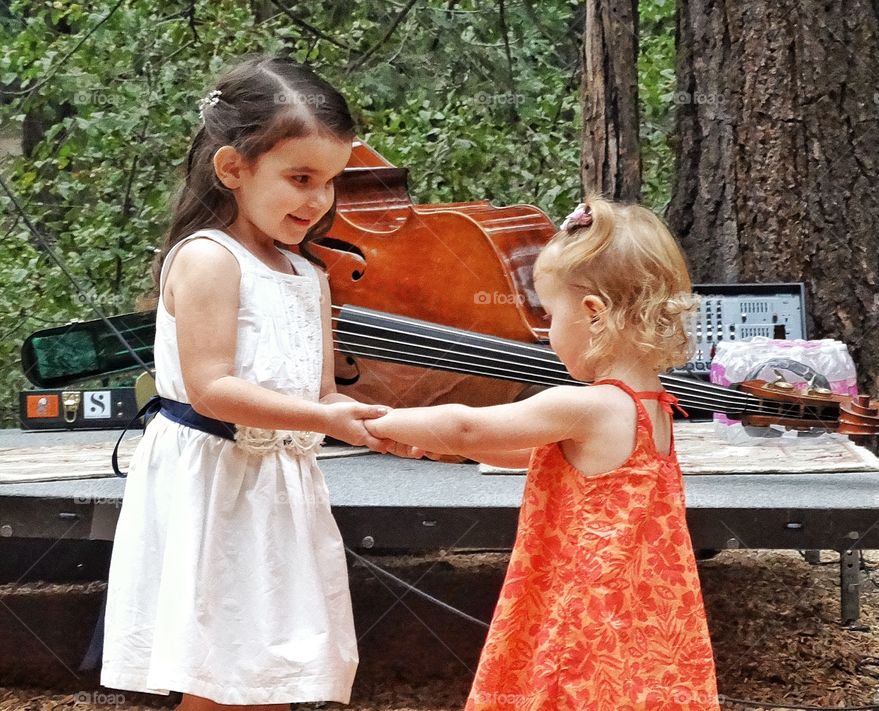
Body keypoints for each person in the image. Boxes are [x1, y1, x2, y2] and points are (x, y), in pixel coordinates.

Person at [101, 55, 400, 710]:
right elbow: (211, 387)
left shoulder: (308, 275)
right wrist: (322, 418)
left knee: (268, 674)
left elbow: (322, 395)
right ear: (233, 168)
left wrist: (393, 423)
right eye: (300, 177)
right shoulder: (209, 258)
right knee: (218, 677)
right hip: (214, 487)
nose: (319, 200)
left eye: (330, 182)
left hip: (279, 489)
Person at [364, 196, 722, 709]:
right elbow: (561, 464)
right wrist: (452, 450)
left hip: (586, 618)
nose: (544, 332)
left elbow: (466, 425)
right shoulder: (654, 406)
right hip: (637, 619)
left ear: (593, 314)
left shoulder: (586, 406)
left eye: (550, 314)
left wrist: (375, 421)